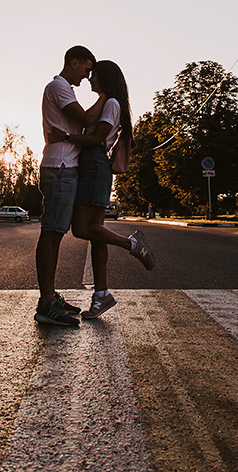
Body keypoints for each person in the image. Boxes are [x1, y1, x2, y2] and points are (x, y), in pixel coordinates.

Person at [50, 59, 155, 320]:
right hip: (92, 165)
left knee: (81, 228)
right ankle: (101, 295)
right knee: (96, 234)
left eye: (94, 75)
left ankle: (132, 244)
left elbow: (97, 138)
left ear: (106, 78)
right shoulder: (107, 102)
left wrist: (65, 137)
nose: (90, 79)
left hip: (95, 165)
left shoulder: (112, 104)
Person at [35, 45, 106, 327]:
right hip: (59, 169)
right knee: (52, 233)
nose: (87, 76)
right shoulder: (58, 87)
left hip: (65, 168)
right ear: (74, 62)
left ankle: (50, 297)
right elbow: (87, 120)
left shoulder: (66, 89)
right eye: (87, 69)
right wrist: (106, 94)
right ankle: (46, 303)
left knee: (56, 233)